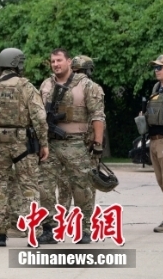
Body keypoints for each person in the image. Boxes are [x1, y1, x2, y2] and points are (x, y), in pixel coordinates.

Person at [0, 48, 49, 247]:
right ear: (18, 63)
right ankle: (33, 233)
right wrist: (44, 143)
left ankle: (0, 234)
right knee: (29, 188)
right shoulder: (26, 86)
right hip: (23, 145)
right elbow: (39, 117)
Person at [38, 48, 105, 244]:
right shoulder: (46, 85)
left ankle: (85, 228)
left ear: (69, 62)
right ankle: (48, 228)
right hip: (50, 143)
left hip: (76, 142)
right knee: (46, 188)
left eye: (59, 60)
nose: (56, 64)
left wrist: (98, 143)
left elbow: (97, 116)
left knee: (81, 187)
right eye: (53, 61)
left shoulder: (87, 85)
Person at [147, 55, 163, 233]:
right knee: (161, 182)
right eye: (155, 67)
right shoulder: (156, 88)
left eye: (160, 67)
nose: (157, 70)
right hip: (154, 140)